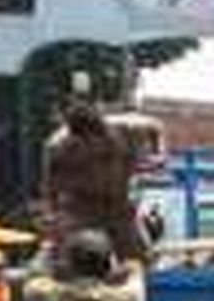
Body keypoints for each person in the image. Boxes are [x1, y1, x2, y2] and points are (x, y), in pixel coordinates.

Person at [43, 97, 148, 261]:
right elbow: (51, 185)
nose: (93, 144)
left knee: (133, 256)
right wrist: (52, 213)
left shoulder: (122, 134)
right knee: (70, 254)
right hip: (83, 208)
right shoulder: (61, 147)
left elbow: (153, 130)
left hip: (115, 207)